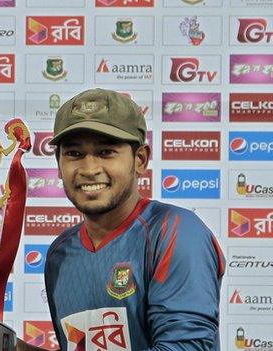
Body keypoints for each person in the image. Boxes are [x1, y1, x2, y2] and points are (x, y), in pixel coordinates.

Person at [43, 88, 225, 350]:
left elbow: (187, 347)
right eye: (74, 154)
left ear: (140, 159)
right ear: (59, 163)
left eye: (106, 152)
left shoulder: (175, 231)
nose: (89, 169)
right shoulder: (60, 253)